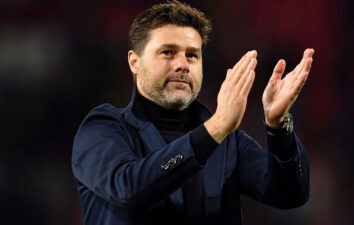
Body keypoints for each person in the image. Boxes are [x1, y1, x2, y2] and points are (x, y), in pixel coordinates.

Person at [72, 1, 314, 225]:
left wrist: (278, 126)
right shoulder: (102, 129)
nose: (183, 64)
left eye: (192, 55)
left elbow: (290, 195)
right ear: (135, 62)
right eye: (167, 52)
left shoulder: (227, 143)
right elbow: (129, 189)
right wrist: (215, 129)